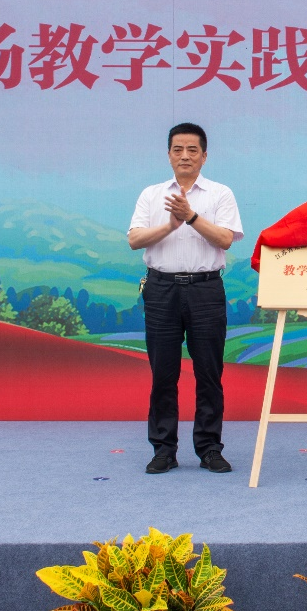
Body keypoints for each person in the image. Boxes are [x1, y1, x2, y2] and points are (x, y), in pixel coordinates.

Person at [127, 123, 243, 474]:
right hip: (161, 289)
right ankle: (164, 449)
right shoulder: (151, 195)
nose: (185, 156)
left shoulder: (220, 194)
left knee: (209, 372)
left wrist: (191, 216)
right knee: (163, 373)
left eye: (192, 150)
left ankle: (209, 448)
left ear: (204, 156)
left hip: (205, 289)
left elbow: (225, 239)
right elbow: (134, 239)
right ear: (168, 155)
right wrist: (169, 226)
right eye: (178, 149)